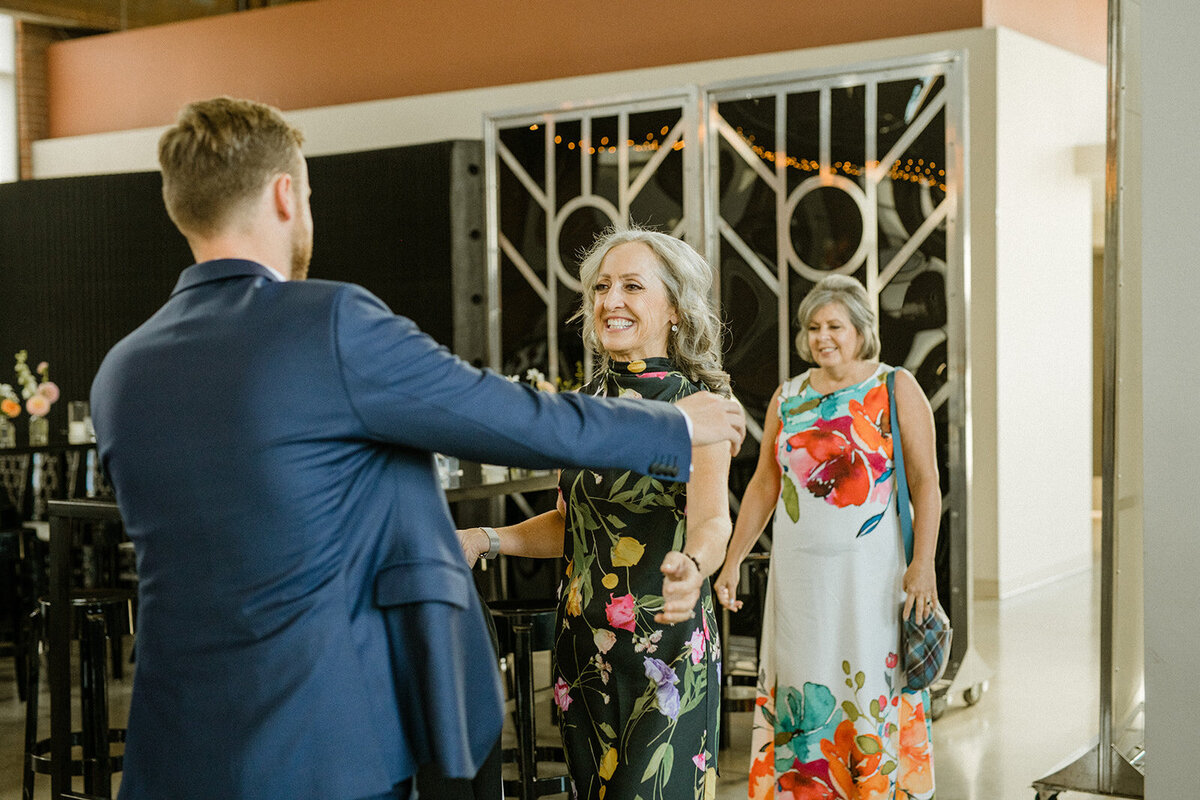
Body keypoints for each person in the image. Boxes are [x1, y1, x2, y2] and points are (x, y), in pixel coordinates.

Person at [89, 97, 746, 800]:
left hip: (174, 739)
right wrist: (672, 427)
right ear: (286, 195)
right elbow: (504, 414)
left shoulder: (122, 371)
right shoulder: (332, 323)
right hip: (326, 731)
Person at [459, 228, 732, 800]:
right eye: (602, 287)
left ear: (676, 310)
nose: (611, 301)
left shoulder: (699, 407)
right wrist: (488, 538)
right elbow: (571, 525)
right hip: (584, 651)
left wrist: (696, 564)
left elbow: (713, 521)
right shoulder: (580, 409)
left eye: (633, 286)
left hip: (667, 646)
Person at [713, 274, 940, 800]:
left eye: (835, 325)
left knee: (865, 678)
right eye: (813, 327)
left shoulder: (894, 386)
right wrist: (731, 562)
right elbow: (765, 485)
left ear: (861, 330)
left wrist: (923, 562)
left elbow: (928, 483)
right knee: (803, 682)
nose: (822, 337)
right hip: (800, 581)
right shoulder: (787, 396)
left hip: (873, 577)